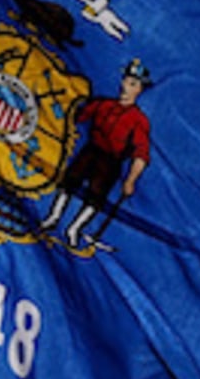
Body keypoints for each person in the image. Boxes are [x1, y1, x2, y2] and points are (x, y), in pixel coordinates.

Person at [41, 58, 153, 249]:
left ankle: (74, 229)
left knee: (95, 197)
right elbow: (76, 116)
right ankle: (53, 217)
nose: (126, 86)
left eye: (133, 84)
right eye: (126, 81)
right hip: (91, 150)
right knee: (69, 183)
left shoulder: (138, 120)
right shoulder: (103, 105)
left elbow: (141, 154)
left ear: (139, 89)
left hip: (110, 162)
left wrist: (130, 180)